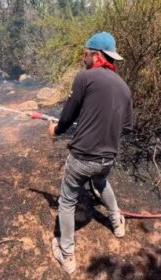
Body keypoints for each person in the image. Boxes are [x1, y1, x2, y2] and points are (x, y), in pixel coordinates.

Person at [48, 32, 134, 274]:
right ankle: (117, 223)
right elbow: (127, 126)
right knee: (101, 182)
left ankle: (67, 254)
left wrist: (55, 130)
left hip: (82, 159)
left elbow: (67, 118)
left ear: (96, 55)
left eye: (86, 52)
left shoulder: (84, 78)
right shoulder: (125, 88)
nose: (83, 57)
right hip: (107, 160)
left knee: (66, 201)